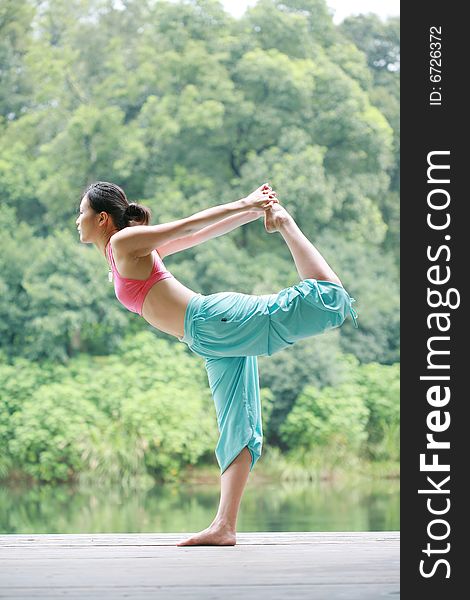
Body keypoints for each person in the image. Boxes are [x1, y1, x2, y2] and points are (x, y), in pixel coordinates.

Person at [76, 180, 358, 546]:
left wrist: (248, 203)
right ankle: (224, 526)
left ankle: (287, 224)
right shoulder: (123, 253)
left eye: (80, 212)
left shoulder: (122, 241)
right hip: (208, 341)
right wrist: (250, 211)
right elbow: (201, 235)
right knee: (237, 426)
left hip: (215, 321)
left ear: (101, 219)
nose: (76, 219)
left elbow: (187, 226)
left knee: (328, 299)